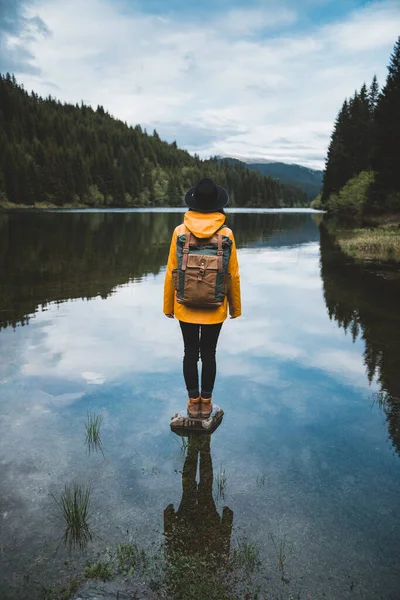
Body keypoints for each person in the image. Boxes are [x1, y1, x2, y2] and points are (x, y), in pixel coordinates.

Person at [163, 177, 241, 418]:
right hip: (215, 306)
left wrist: (168, 305)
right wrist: (235, 308)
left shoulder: (180, 231)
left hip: (185, 305)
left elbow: (171, 270)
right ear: (217, 204)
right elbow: (233, 274)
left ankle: (192, 401)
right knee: (209, 354)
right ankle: (206, 402)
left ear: (193, 203)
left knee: (189, 352)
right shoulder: (226, 233)